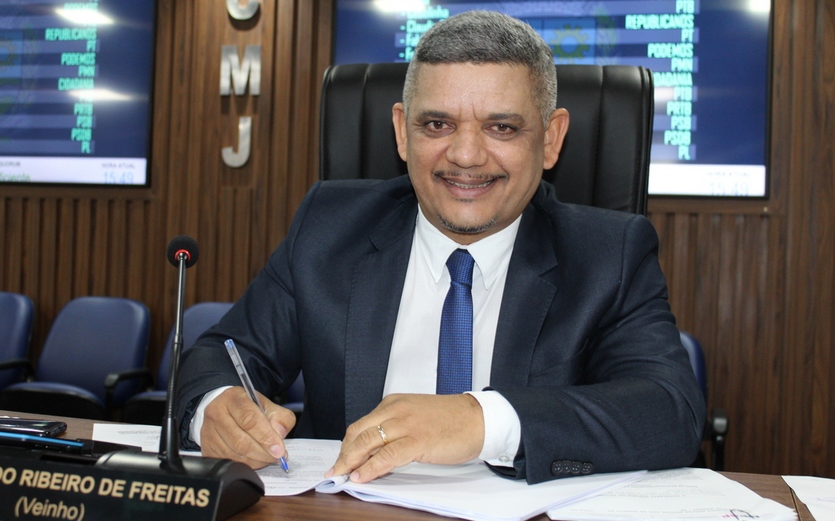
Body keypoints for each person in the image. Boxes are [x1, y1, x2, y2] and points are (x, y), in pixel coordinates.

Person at [176, 10, 705, 485]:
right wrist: (215, 409)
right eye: (437, 124)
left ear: (550, 139)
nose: (466, 155)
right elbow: (217, 357)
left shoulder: (608, 254)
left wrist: (479, 420)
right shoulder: (329, 229)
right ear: (402, 132)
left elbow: (669, 411)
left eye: (501, 127)